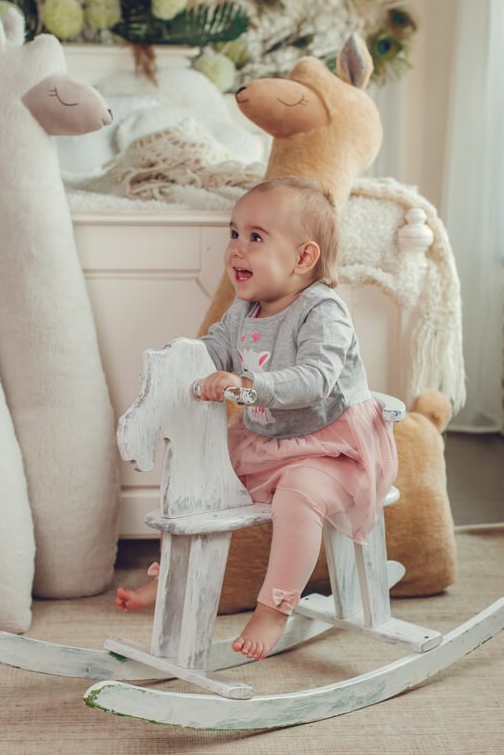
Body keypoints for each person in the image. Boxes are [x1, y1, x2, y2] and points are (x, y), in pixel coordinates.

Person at [116, 175, 398, 660]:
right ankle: (173, 578)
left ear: (303, 258)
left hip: (331, 447)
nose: (236, 249)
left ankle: (274, 608)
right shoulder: (244, 309)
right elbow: (215, 348)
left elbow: (315, 379)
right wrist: (184, 364)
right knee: (199, 469)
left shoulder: (323, 312)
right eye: (233, 233)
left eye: (255, 237)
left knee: (299, 495)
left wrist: (247, 386)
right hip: (268, 436)